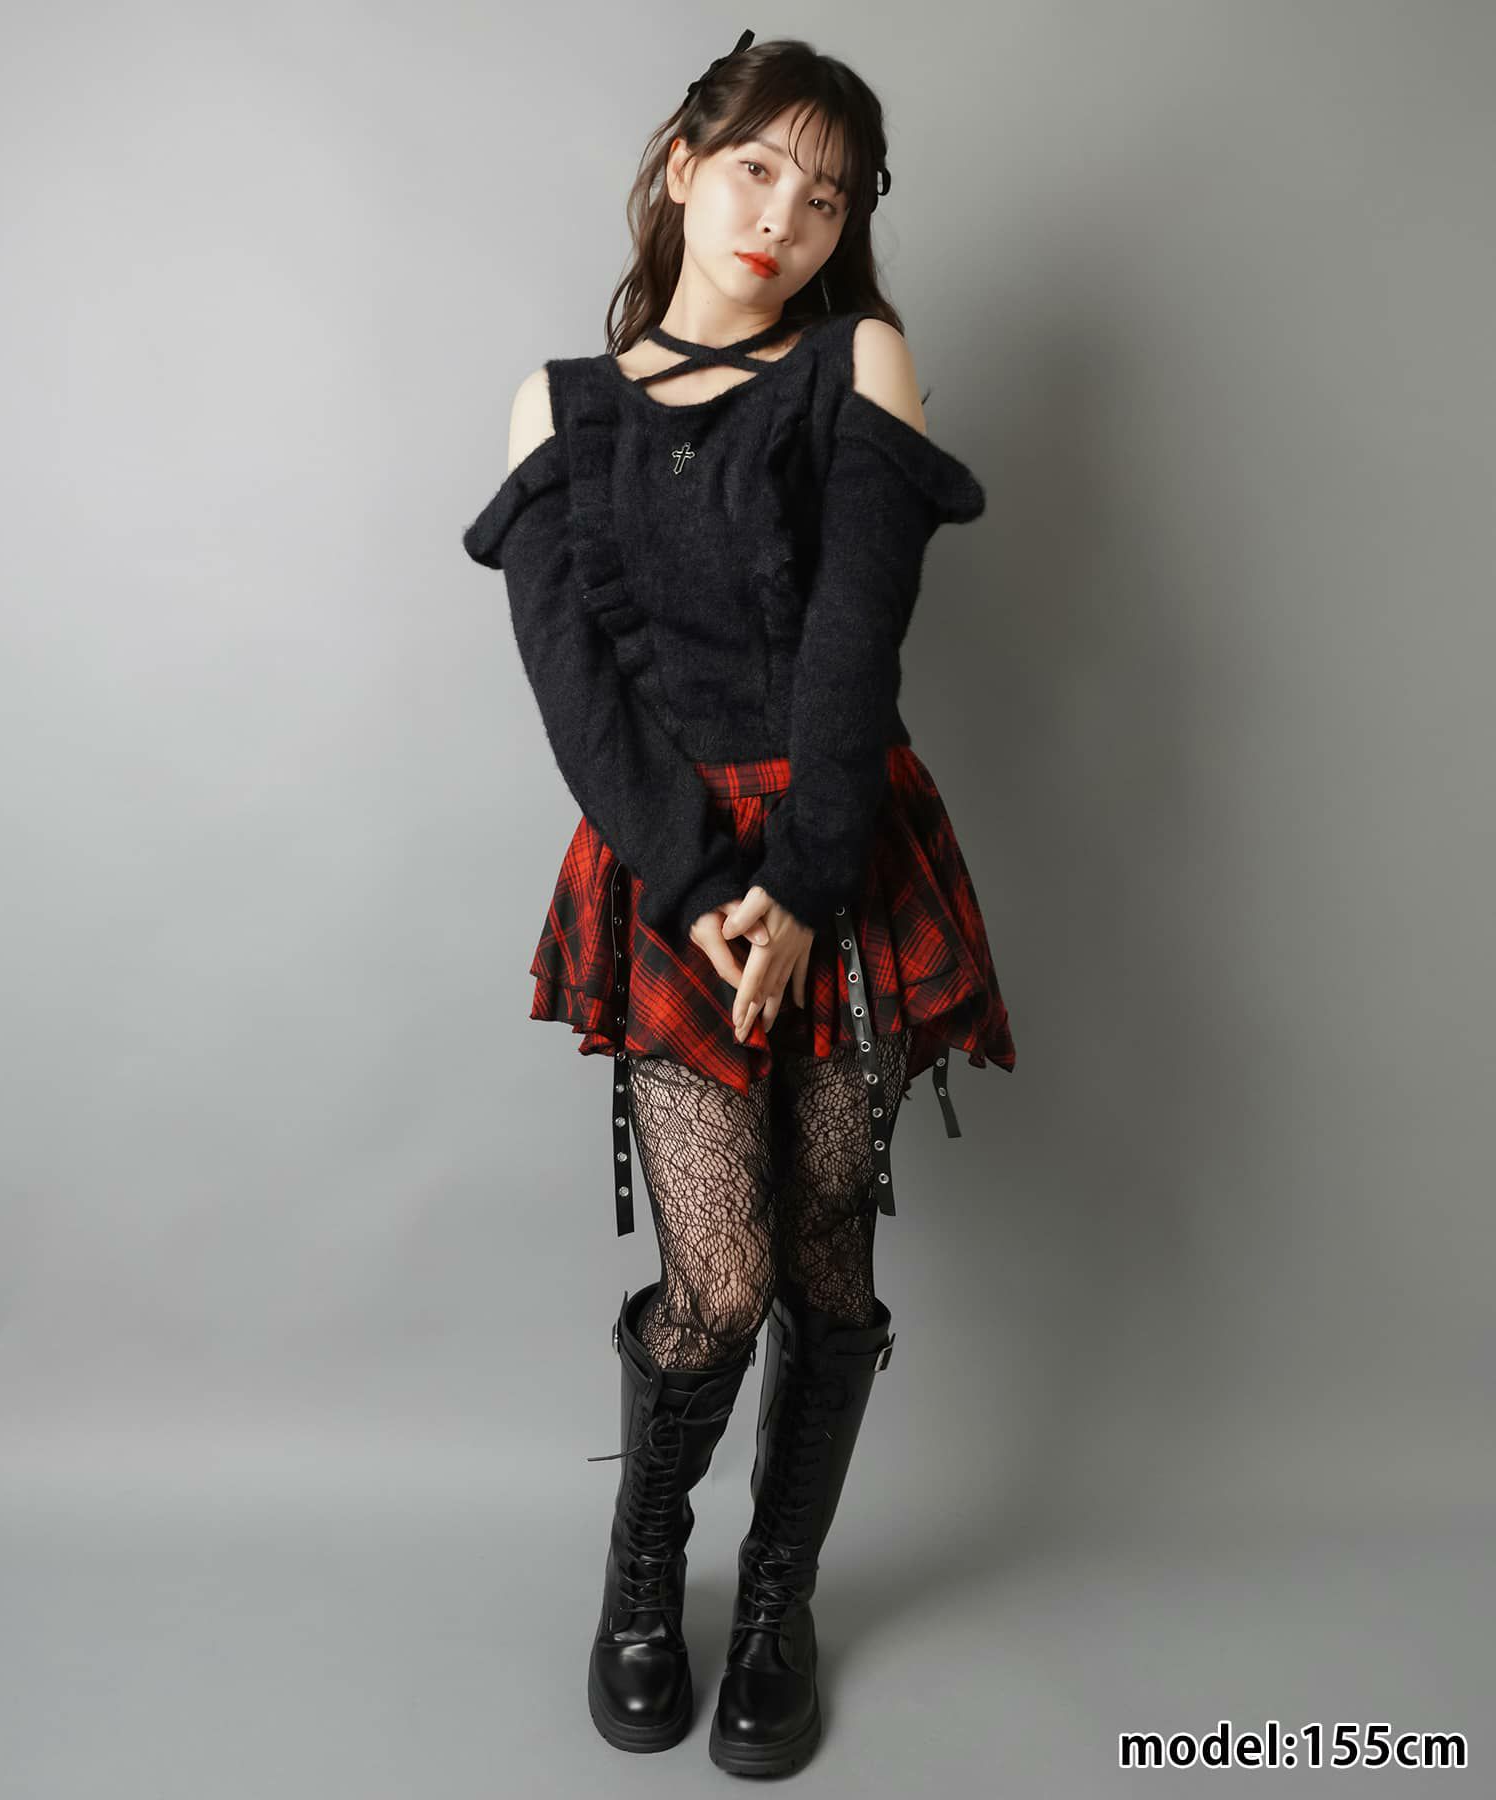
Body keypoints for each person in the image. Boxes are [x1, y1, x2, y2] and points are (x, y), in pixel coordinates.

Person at [462, 29, 1016, 1779]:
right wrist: (708, 884)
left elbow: (858, 639)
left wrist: (802, 882)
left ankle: (780, 1600)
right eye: (759, 167)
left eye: (827, 194)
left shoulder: (860, 361)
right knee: (720, 1279)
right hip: (664, 871)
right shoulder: (562, 406)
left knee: (829, 1259)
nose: (786, 213)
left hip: (841, 851)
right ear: (683, 163)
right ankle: (644, 1580)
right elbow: (578, 698)